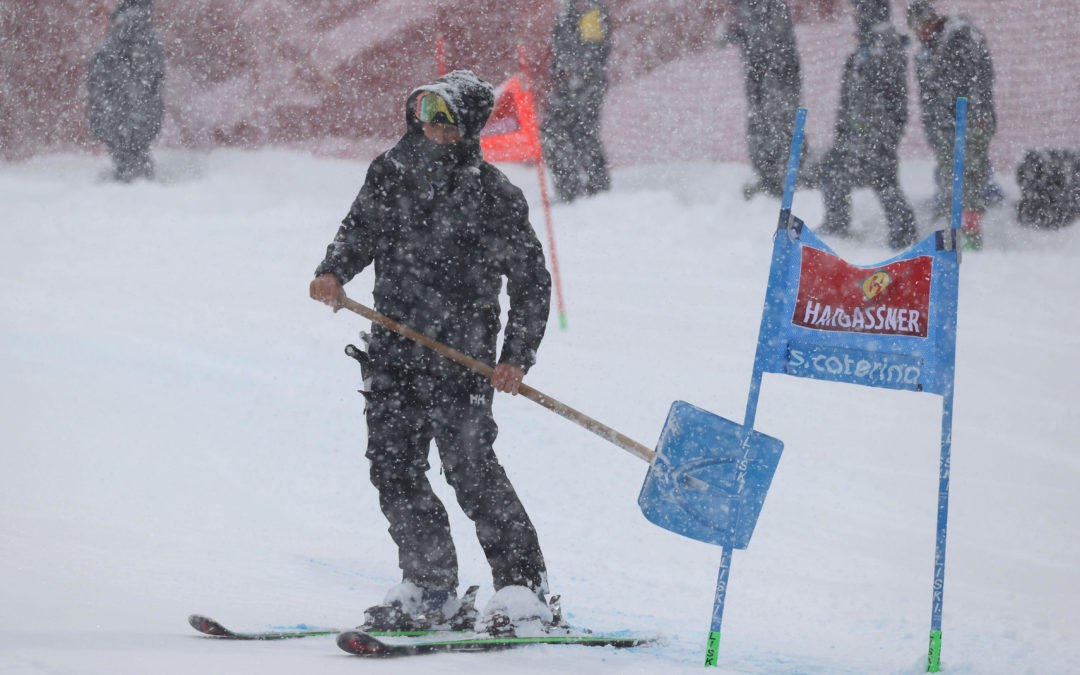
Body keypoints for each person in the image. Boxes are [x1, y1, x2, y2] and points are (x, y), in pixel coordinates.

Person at [309, 70, 555, 633]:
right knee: (394, 470)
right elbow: (360, 230)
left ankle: (524, 593)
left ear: (468, 127)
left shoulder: (494, 197)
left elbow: (531, 283)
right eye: (424, 113)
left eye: (444, 118)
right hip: (393, 352)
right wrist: (333, 271)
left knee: (471, 472)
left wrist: (515, 355)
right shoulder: (390, 173)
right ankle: (430, 586)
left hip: (461, 360)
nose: (432, 127)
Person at [817, 0, 917, 250]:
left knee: (883, 180)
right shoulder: (865, 50)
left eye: (862, 11)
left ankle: (904, 236)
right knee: (833, 168)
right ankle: (837, 223)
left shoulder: (885, 47)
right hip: (855, 135)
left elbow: (893, 100)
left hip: (876, 136)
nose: (857, 18)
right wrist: (843, 133)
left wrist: (883, 136)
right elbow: (848, 99)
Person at [906, 0, 996, 248]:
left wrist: (973, 114)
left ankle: (969, 234)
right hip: (945, 127)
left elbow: (978, 79)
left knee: (968, 179)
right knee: (953, 180)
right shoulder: (927, 50)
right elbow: (929, 95)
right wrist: (935, 128)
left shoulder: (960, 37)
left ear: (930, 19)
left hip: (968, 123)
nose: (919, 32)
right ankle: (958, 230)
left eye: (920, 25)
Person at [716, 0, 808, 199]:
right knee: (758, 126)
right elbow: (752, 34)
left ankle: (789, 177)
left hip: (778, 78)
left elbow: (775, 40)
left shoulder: (772, 6)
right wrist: (734, 33)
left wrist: (743, 33)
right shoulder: (746, 7)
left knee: (781, 125)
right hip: (757, 78)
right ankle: (767, 176)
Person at [541, 0, 612, 202]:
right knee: (561, 132)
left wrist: (576, 76)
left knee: (580, 133)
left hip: (583, 85)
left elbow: (594, 50)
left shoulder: (588, 7)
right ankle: (576, 189)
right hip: (569, 84)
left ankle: (593, 189)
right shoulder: (568, 7)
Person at [86, 0, 165, 182]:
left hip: (123, 114)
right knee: (132, 147)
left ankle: (130, 174)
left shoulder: (122, 35)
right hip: (131, 115)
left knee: (128, 147)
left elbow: (99, 70)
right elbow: (153, 81)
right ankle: (134, 175)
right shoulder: (147, 39)